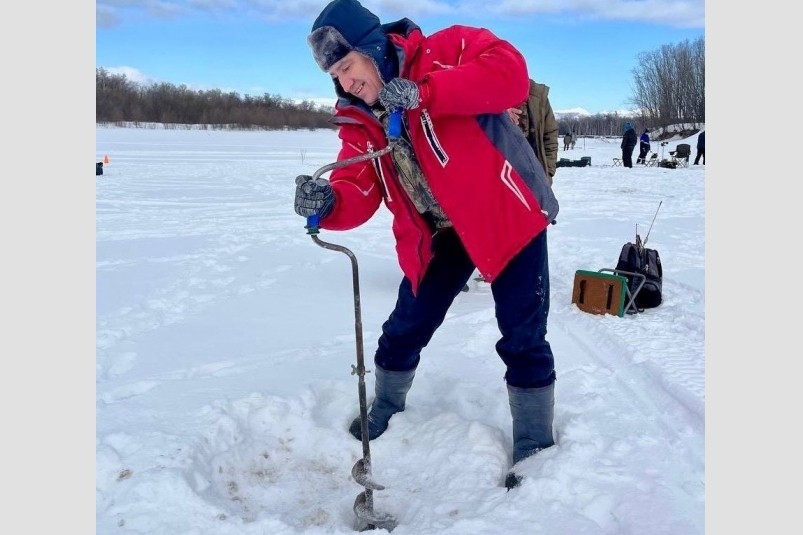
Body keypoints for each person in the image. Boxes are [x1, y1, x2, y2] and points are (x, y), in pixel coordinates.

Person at [295, 0, 559, 489]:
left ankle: (534, 441)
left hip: (506, 212)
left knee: (523, 333)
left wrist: (427, 92)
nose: (345, 84)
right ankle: (387, 404)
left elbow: (510, 76)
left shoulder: (448, 49)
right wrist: (329, 201)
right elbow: (357, 187)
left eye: (347, 67)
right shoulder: (360, 119)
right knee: (406, 323)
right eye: (335, 76)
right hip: (441, 232)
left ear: (371, 48)